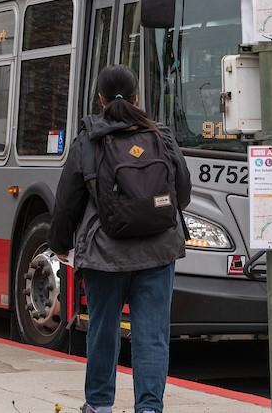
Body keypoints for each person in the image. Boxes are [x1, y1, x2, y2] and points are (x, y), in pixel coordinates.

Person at [49, 65, 192, 413]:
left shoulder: (88, 141)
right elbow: (183, 192)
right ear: (136, 98)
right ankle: (149, 408)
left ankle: (100, 405)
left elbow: (67, 202)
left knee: (103, 329)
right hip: (158, 250)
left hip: (104, 254)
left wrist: (60, 245)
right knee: (152, 334)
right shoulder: (161, 135)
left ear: (100, 100)